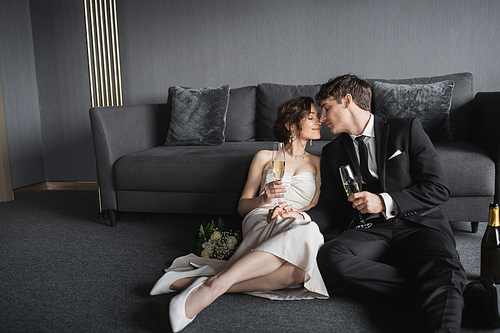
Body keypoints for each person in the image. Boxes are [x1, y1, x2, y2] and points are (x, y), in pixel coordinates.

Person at [271, 74, 467, 332]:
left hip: (420, 223)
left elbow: (438, 188)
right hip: (370, 230)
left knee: (441, 264)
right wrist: (302, 216)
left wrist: (384, 201)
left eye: (327, 107)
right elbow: (331, 207)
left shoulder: (405, 129)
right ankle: (448, 291)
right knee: (330, 258)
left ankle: (443, 292)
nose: (322, 118)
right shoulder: (333, 152)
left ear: (348, 101)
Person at [150, 96, 328, 332]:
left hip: (295, 219)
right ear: (291, 124)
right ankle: (207, 290)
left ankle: (207, 282)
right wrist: (264, 199)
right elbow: (243, 206)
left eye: (318, 117)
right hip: (262, 216)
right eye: (311, 117)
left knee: (298, 270)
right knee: (309, 233)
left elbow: (314, 205)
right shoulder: (265, 157)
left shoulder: (319, 163)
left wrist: (295, 213)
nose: (319, 122)